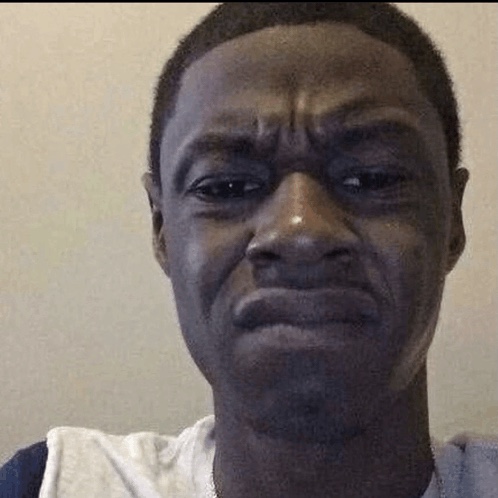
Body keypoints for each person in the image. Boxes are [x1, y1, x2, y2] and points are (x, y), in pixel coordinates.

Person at [1, 2, 497, 497]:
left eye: (372, 178)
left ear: (451, 219)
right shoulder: (50, 483)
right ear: (161, 228)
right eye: (226, 187)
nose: (300, 230)